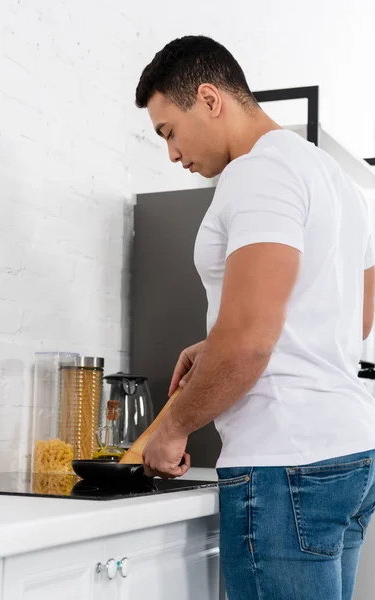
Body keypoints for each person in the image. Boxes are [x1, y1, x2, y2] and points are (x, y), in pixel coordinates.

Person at [135, 35, 375, 600]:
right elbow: (353, 320)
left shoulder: (258, 173)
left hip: (285, 464)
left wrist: (170, 428)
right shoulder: (342, 184)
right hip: (349, 454)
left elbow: (249, 343)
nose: (172, 154)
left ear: (210, 98)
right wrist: (218, 341)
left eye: (169, 131)